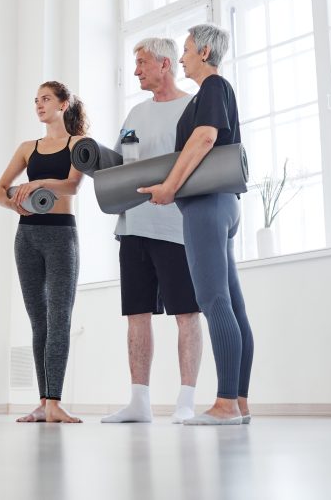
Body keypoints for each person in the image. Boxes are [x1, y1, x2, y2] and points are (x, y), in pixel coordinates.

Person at [138, 24, 254, 426]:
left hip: (207, 205)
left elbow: (204, 137)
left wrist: (170, 186)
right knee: (233, 307)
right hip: (221, 205)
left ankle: (224, 404)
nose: (184, 56)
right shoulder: (215, 91)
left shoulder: (212, 88)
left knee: (213, 302)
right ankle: (238, 401)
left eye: (187, 50)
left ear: (204, 52)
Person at [101, 38, 203, 424]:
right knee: (137, 314)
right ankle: (139, 402)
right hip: (134, 225)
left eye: (142, 62)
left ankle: (186, 401)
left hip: (177, 226)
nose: (136, 70)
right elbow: (120, 161)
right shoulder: (136, 112)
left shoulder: (192, 107)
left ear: (164, 64)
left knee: (186, 313)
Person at [0, 81, 88, 424]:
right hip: (28, 237)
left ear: (64, 105)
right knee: (39, 323)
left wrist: (37, 184)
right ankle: (43, 401)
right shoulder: (27, 148)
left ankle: (55, 401)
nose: (39, 105)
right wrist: (14, 205)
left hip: (62, 235)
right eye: (36, 100)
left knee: (59, 318)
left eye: (46, 99)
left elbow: (73, 185)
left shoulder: (78, 144)